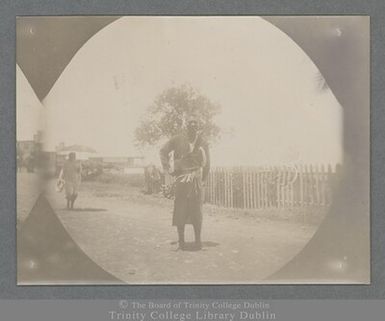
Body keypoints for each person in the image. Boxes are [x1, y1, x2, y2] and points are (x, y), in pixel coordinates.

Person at [160, 114, 210, 250]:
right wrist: (167, 168)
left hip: (196, 180)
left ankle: (198, 241)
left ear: (198, 128)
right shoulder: (177, 140)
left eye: (195, 125)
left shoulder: (203, 142)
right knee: (180, 210)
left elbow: (207, 164)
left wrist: (203, 180)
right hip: (181, 180)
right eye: (190, 124)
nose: (193, 127)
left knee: (196, 211)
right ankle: (181, 241)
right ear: (186, 127)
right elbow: (163, 151)